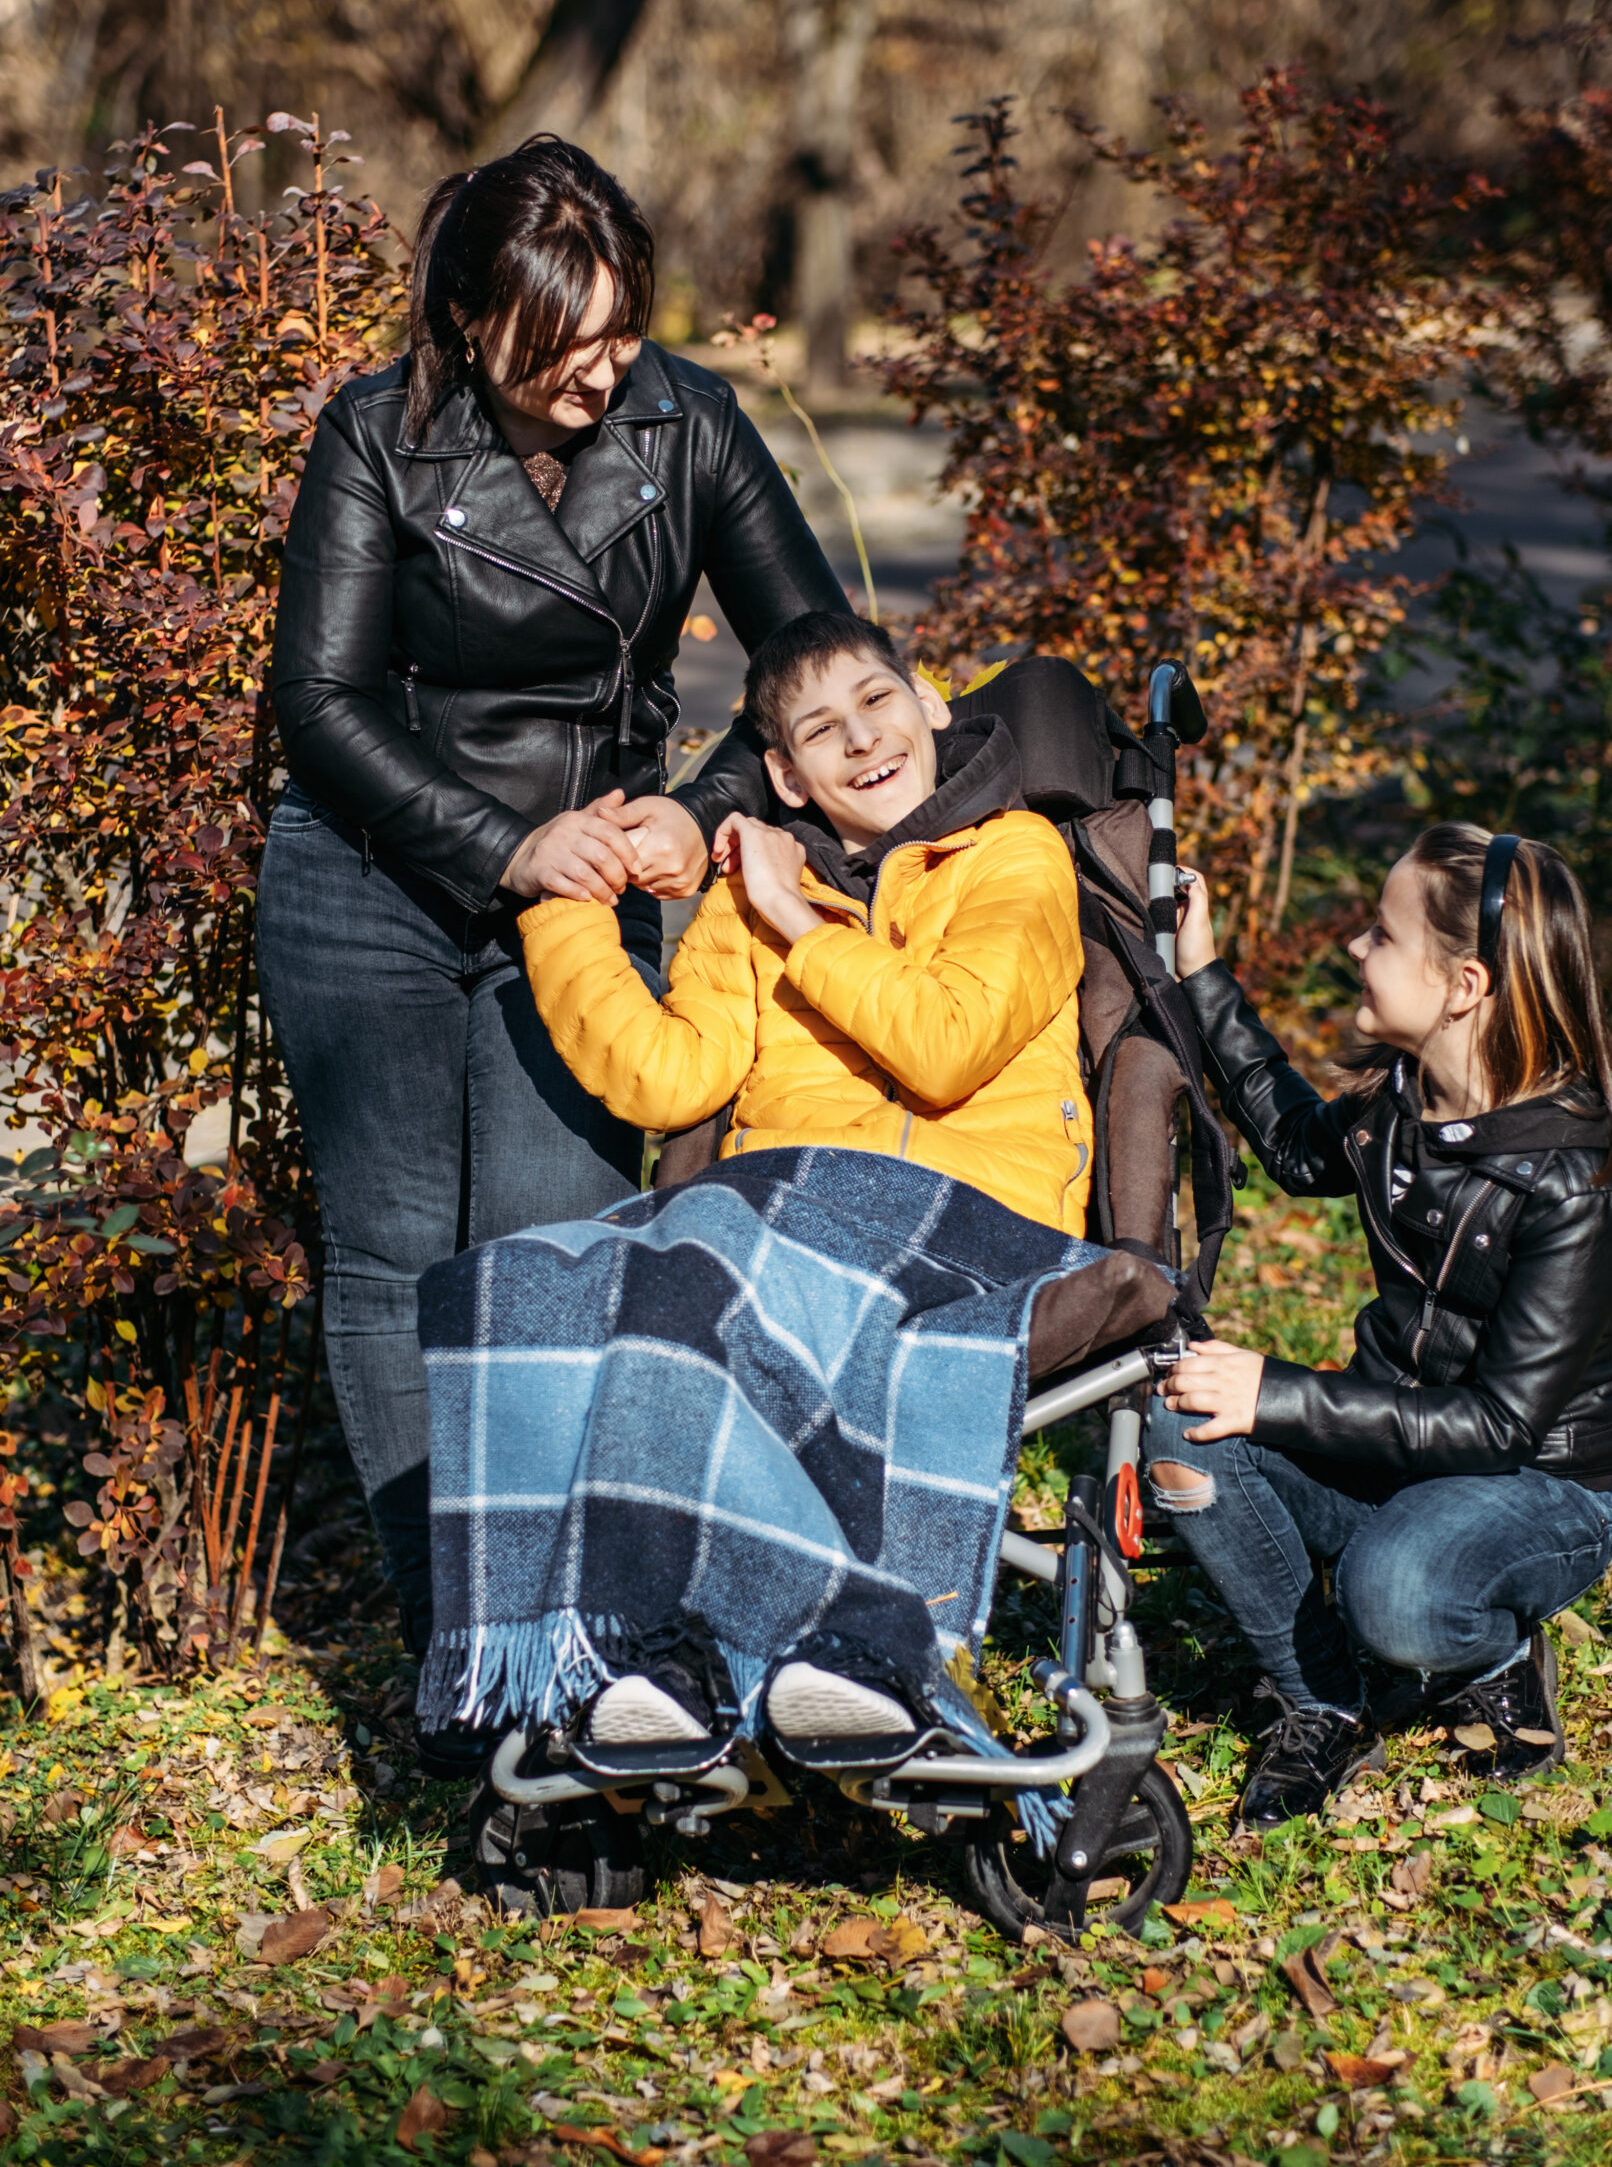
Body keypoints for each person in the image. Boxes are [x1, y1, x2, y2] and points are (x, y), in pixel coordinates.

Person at [256, 137, 845, 1707]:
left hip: (587, 902)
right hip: (376, 867)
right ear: (465, 322)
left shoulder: (688, 422)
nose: (599, 368)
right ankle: (464, 1664)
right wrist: (508, 847)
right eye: (556, 340)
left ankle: (560, 1658)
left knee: (547, 1265)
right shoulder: (376, 433)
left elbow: (811, 645)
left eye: (620, 326)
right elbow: (315, 704)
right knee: (391, 1267)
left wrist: (708, 804)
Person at [416, 613, 1138, 1763]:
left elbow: (944, 1043)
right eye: (819, 733)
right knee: (576, 1276)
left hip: (971, 1234)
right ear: (787, 776)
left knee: (696, 1249)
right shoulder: (744, 910)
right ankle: (660, 1653)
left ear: (930, 704)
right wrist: (566, 905)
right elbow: (667, 1078)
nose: (861, 742)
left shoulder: (1013, 858)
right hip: (776, 1225)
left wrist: (798, 917)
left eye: (877, 703)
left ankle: (841, 1639)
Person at [1146, 824, 1612, 1826]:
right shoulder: (1401, 1104)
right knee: (1177, 1418)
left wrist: (1278, 1392)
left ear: (1462, 984)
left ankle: (1497, 1655)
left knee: (1399, 1587)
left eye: (1380, 934)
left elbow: (1501, 1425)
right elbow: (1295, 1146)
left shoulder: (1572, 1175)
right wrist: (1201, 974)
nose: (1354, 949)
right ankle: (1321, 1701)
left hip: (1536, 1484)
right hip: (1397, 1453)